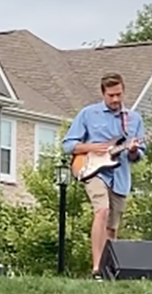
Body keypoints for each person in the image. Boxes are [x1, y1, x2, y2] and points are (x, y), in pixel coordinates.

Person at [62, 73, 146, 279]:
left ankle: (109, 270)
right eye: (111, 95)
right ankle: (96, 268)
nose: (115, 99)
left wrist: (134, 150)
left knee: (112, 226)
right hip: (92, 171)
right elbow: (68, 144)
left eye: (119, 94)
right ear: (103, 94)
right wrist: (93, 147)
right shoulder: (88, 114)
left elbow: (138, 155)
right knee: (101, 210)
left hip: (120, 176)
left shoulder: (134, 119)